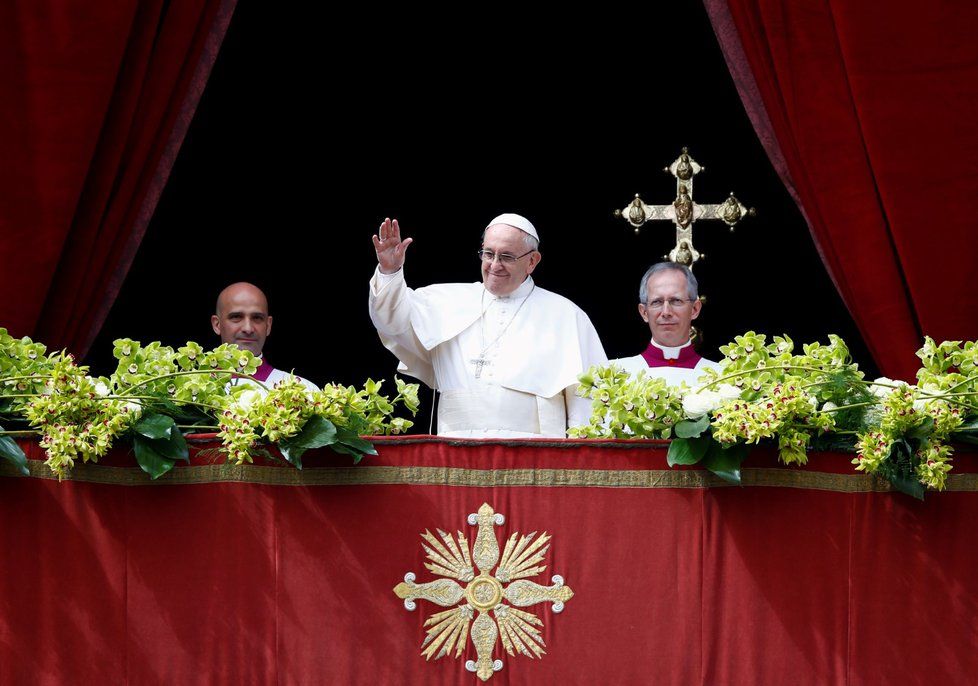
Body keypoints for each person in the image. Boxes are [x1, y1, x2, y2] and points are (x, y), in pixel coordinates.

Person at [368, 213, 607, 438]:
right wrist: (390, 271)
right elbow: (392, 322)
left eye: (507, 257)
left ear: (532, 261)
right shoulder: (446, 301)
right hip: (455, 449)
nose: (494, 265)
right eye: (488, 254)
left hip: (534, 459)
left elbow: (586, 400)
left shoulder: (565, 314)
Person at [612, 262, 720, 386]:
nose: (666, 312)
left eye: (676, 301)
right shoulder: (616, 376)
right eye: (657, 302)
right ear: (644, 312)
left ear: (695, 309)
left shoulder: (722, 378)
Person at [211, 282, 318, 392]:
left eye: (257, 318)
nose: (248, 329)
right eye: (236, 317)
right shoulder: (194, 389)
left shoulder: (303, 391)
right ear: (217, 325)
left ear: (268, 325)